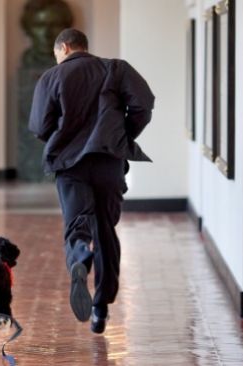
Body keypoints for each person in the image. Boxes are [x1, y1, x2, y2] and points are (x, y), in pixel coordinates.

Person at [28, 28, 155, 334]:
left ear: (65, 48)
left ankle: (79, 256)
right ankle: (100, 308)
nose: (57, 59)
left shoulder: (51, 77)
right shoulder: (115, 68)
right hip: (108, 161)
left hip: (71, 164)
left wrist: (62, 137)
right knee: (105, 230)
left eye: (56, 54)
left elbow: (39, 125)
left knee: (78, 223)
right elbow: (144, 104)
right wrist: (119, 135)